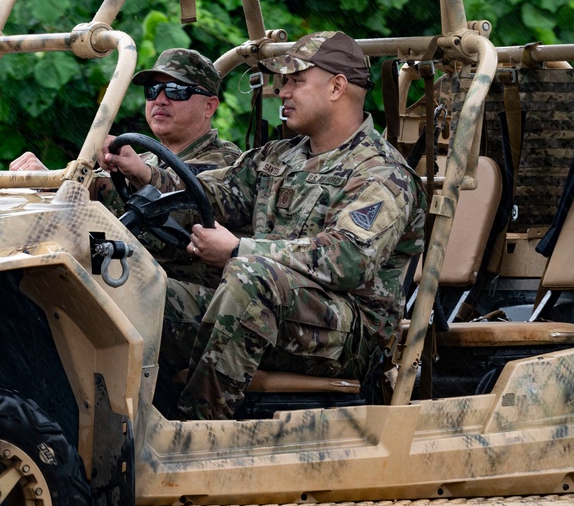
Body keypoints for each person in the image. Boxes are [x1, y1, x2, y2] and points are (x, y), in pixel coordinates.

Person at [101, 31, 427, 420]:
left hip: (347, 335)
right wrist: (144, 175)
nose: (281, 92)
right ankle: (111, 418)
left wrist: (238, 250)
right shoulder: (279, 156)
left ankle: (196, 430)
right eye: (282, 82)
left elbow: (346, 259)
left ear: (337, 87)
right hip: (262, 307)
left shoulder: (381, 173)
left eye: (295, 81)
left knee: (250, 274)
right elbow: (214, 193)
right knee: (130, 287)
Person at [11, 48, 240, 285]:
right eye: (152, 90)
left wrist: (141, 173)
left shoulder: (227, 161)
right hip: (132, 274)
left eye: (176, 91)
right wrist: (47, 181)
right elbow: (95, 187)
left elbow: (194, 195)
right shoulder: (147, 159)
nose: (160, 99)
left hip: (192, 293)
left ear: (209, 106)